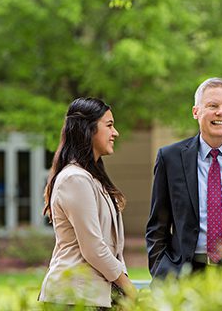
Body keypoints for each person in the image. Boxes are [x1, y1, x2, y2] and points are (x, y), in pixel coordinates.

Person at [146, 77, 222, 279]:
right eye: (213, 105)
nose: (221, 112)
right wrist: (162, 272)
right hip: (185, 275)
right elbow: (157, 226)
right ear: (195, 112)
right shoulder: (170, 158)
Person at [38, 97, 136, 308]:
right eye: (109, 125)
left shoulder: (91, 178)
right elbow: (93, 247)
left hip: (92, 295)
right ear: (88, 129)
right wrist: (128, 288)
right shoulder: (75, 179)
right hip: (73, 297)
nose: (115, 132)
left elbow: (110, 247)